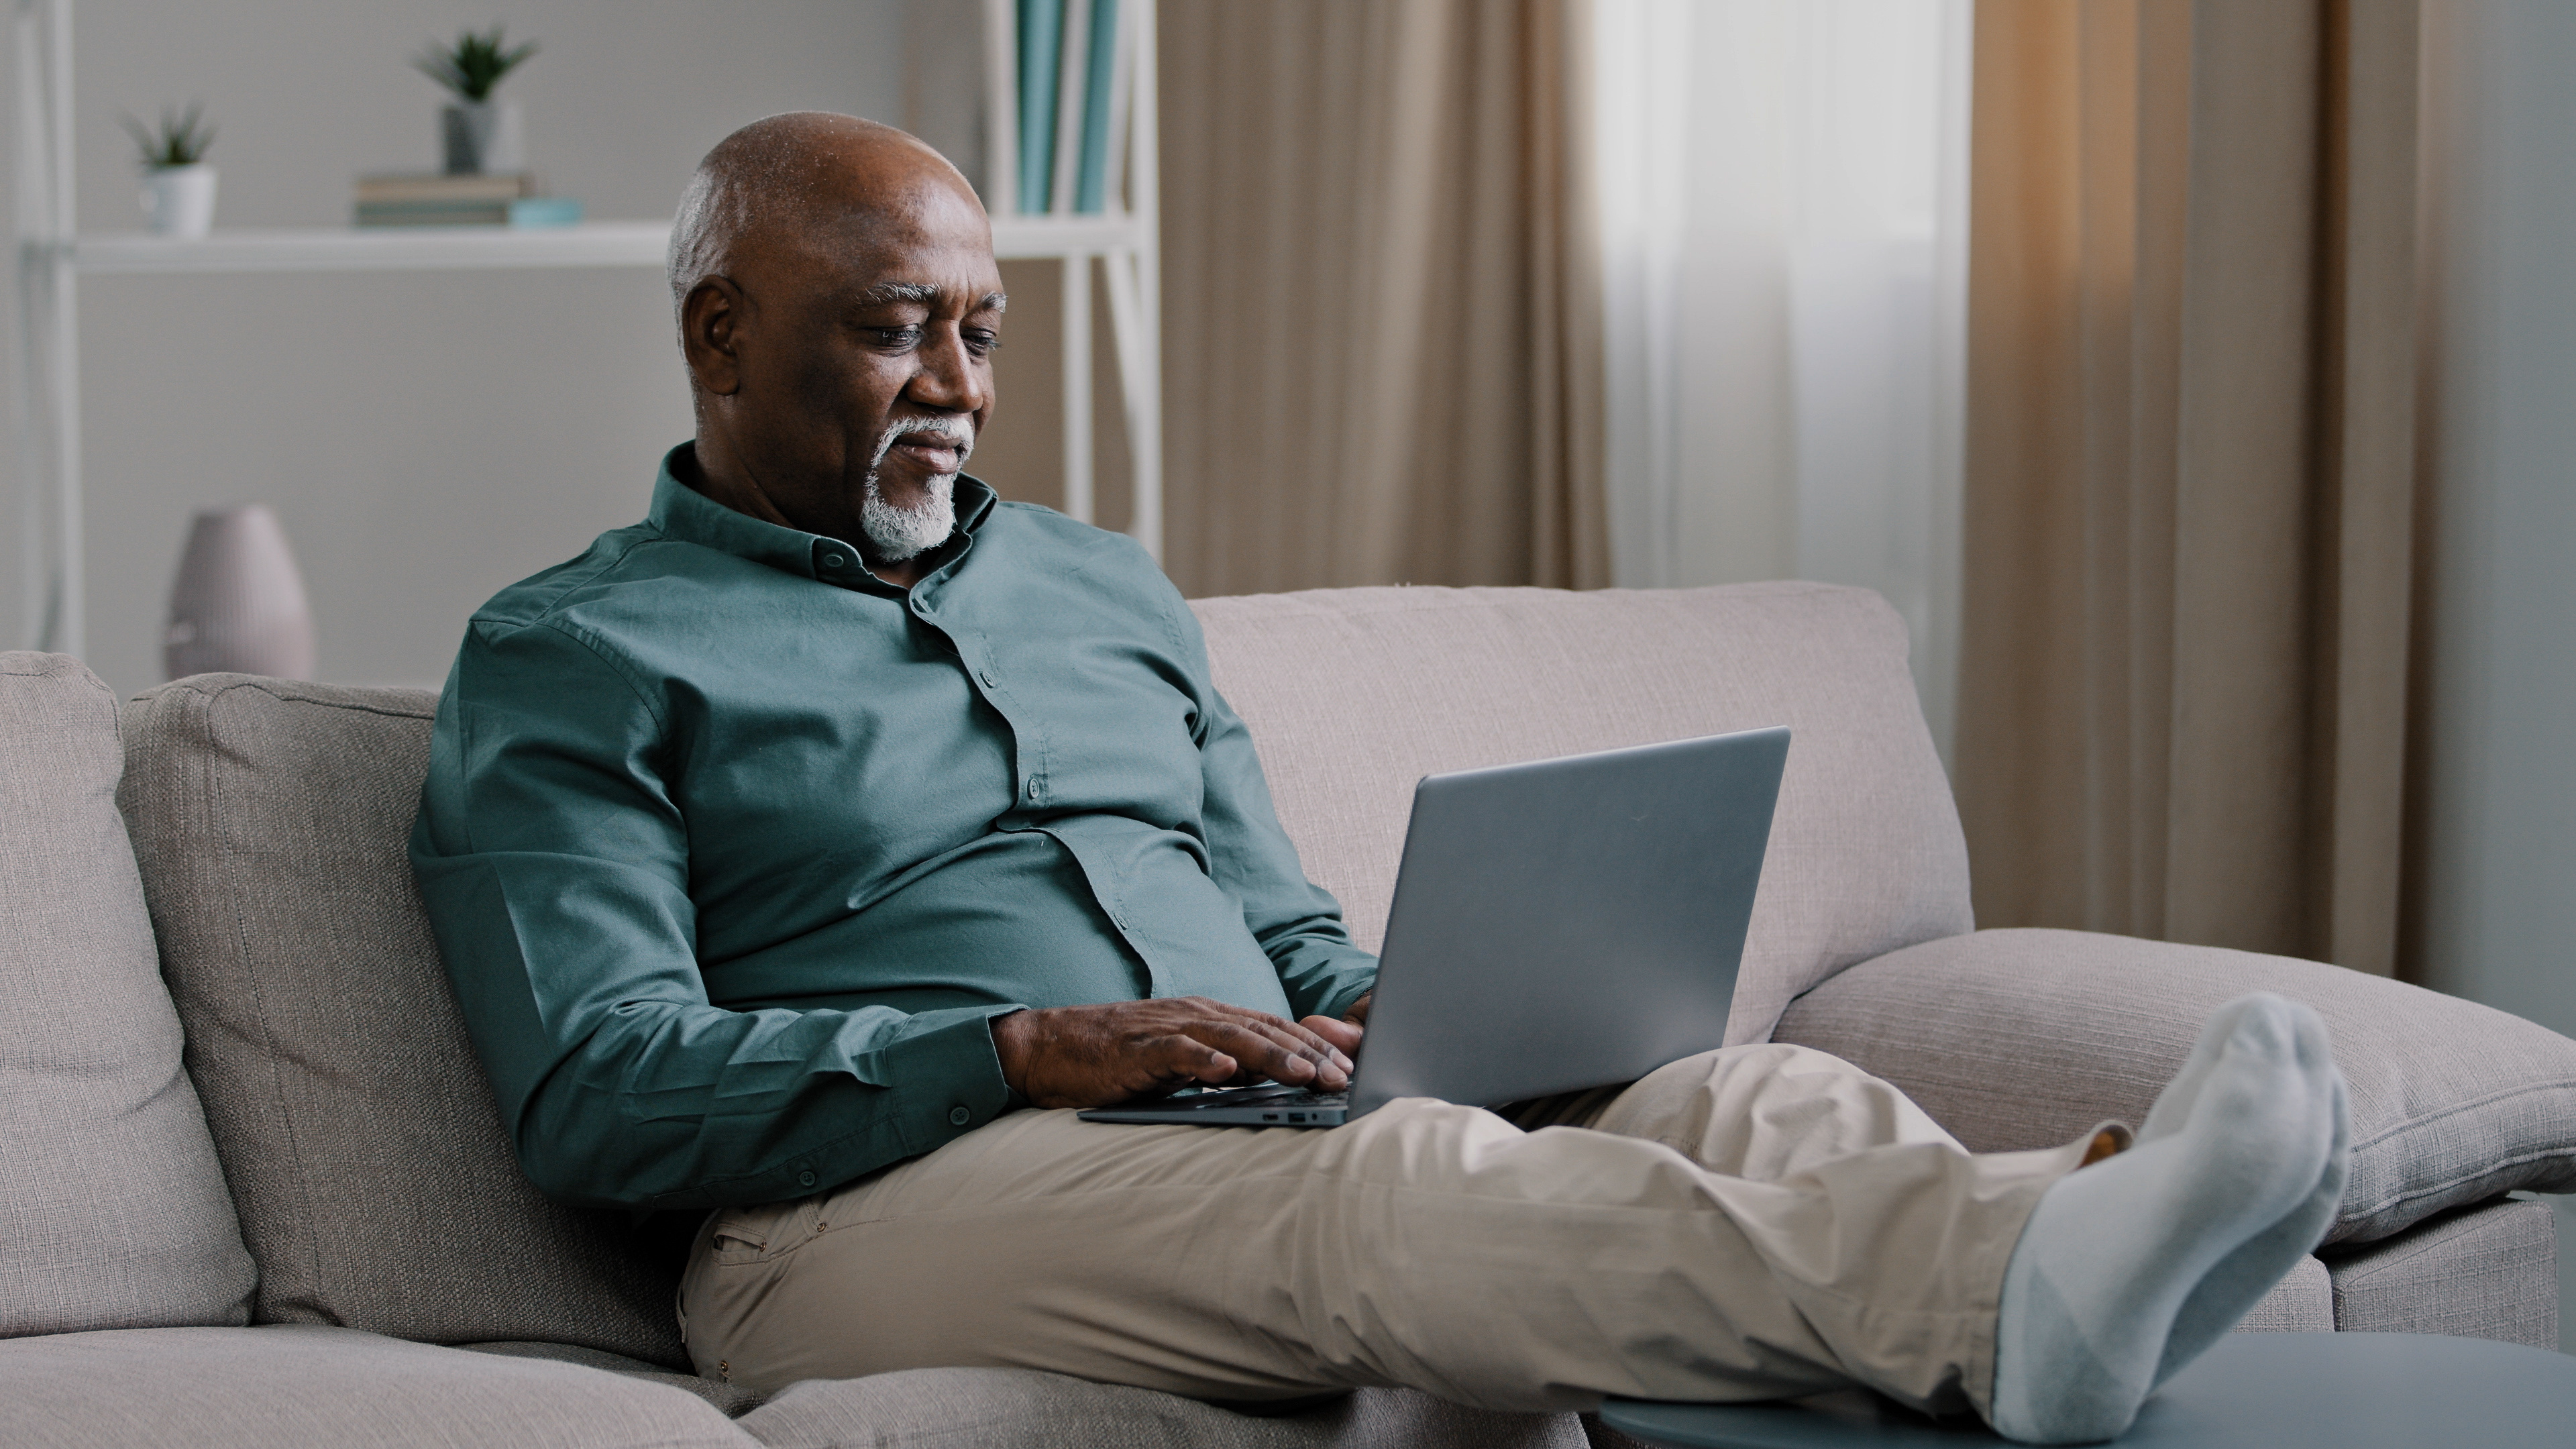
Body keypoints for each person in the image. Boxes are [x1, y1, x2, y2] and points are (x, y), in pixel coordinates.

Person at [410, 112, 2349, 1445]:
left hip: (1247, 1128)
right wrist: (1022, 1048)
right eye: (896, 328)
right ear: (718, 334)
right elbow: (599, 1089)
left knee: (1733, 1090)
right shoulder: (577, 656)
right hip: (860, 1218)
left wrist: (1404, 1015)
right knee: (1407, 1186)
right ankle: (2025, 1291)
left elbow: (1281, 923)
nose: (962, 388)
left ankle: (2064, 1272)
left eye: (983, 332)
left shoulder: (1099, 586)